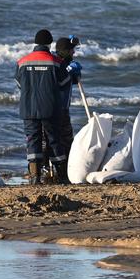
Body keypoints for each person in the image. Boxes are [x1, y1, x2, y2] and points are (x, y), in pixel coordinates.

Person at [17, 29, 67, 184]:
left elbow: (19, 84)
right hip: (50, 109)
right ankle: (62, 176)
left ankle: (34, 176)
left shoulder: (22, 62)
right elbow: (64, 83)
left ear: (35, 43)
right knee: (54, 140)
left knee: (32, 140)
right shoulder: (56, 62)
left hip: (29, 108)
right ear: (49, 44)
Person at [48, 35, 82, 179]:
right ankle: (62, 171)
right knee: (63, 140)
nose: (74, 53)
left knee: (57, 139)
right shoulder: (59, 65)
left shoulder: (62, 63)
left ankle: (63, 170)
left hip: (55, 109)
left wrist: (76, 73)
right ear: (66, 51)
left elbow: (73, 80)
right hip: (58, 109)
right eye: (71, 50)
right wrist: (71, 70)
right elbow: (61, 78)